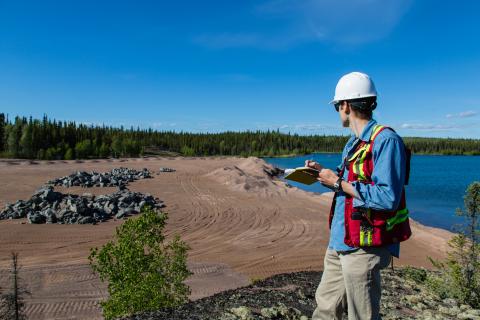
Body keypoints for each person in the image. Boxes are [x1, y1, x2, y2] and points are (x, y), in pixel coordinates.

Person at [308, 72, 412, 320]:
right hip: (340, 239)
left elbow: (388, 197)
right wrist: (326, 177)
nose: (337, 111)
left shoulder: (386, 140)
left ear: (345, 105)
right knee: (325, 308)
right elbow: (350, 185)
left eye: (336, 106)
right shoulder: (354, 142)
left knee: (362, 314)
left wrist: (339, 182)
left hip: (364, 246)